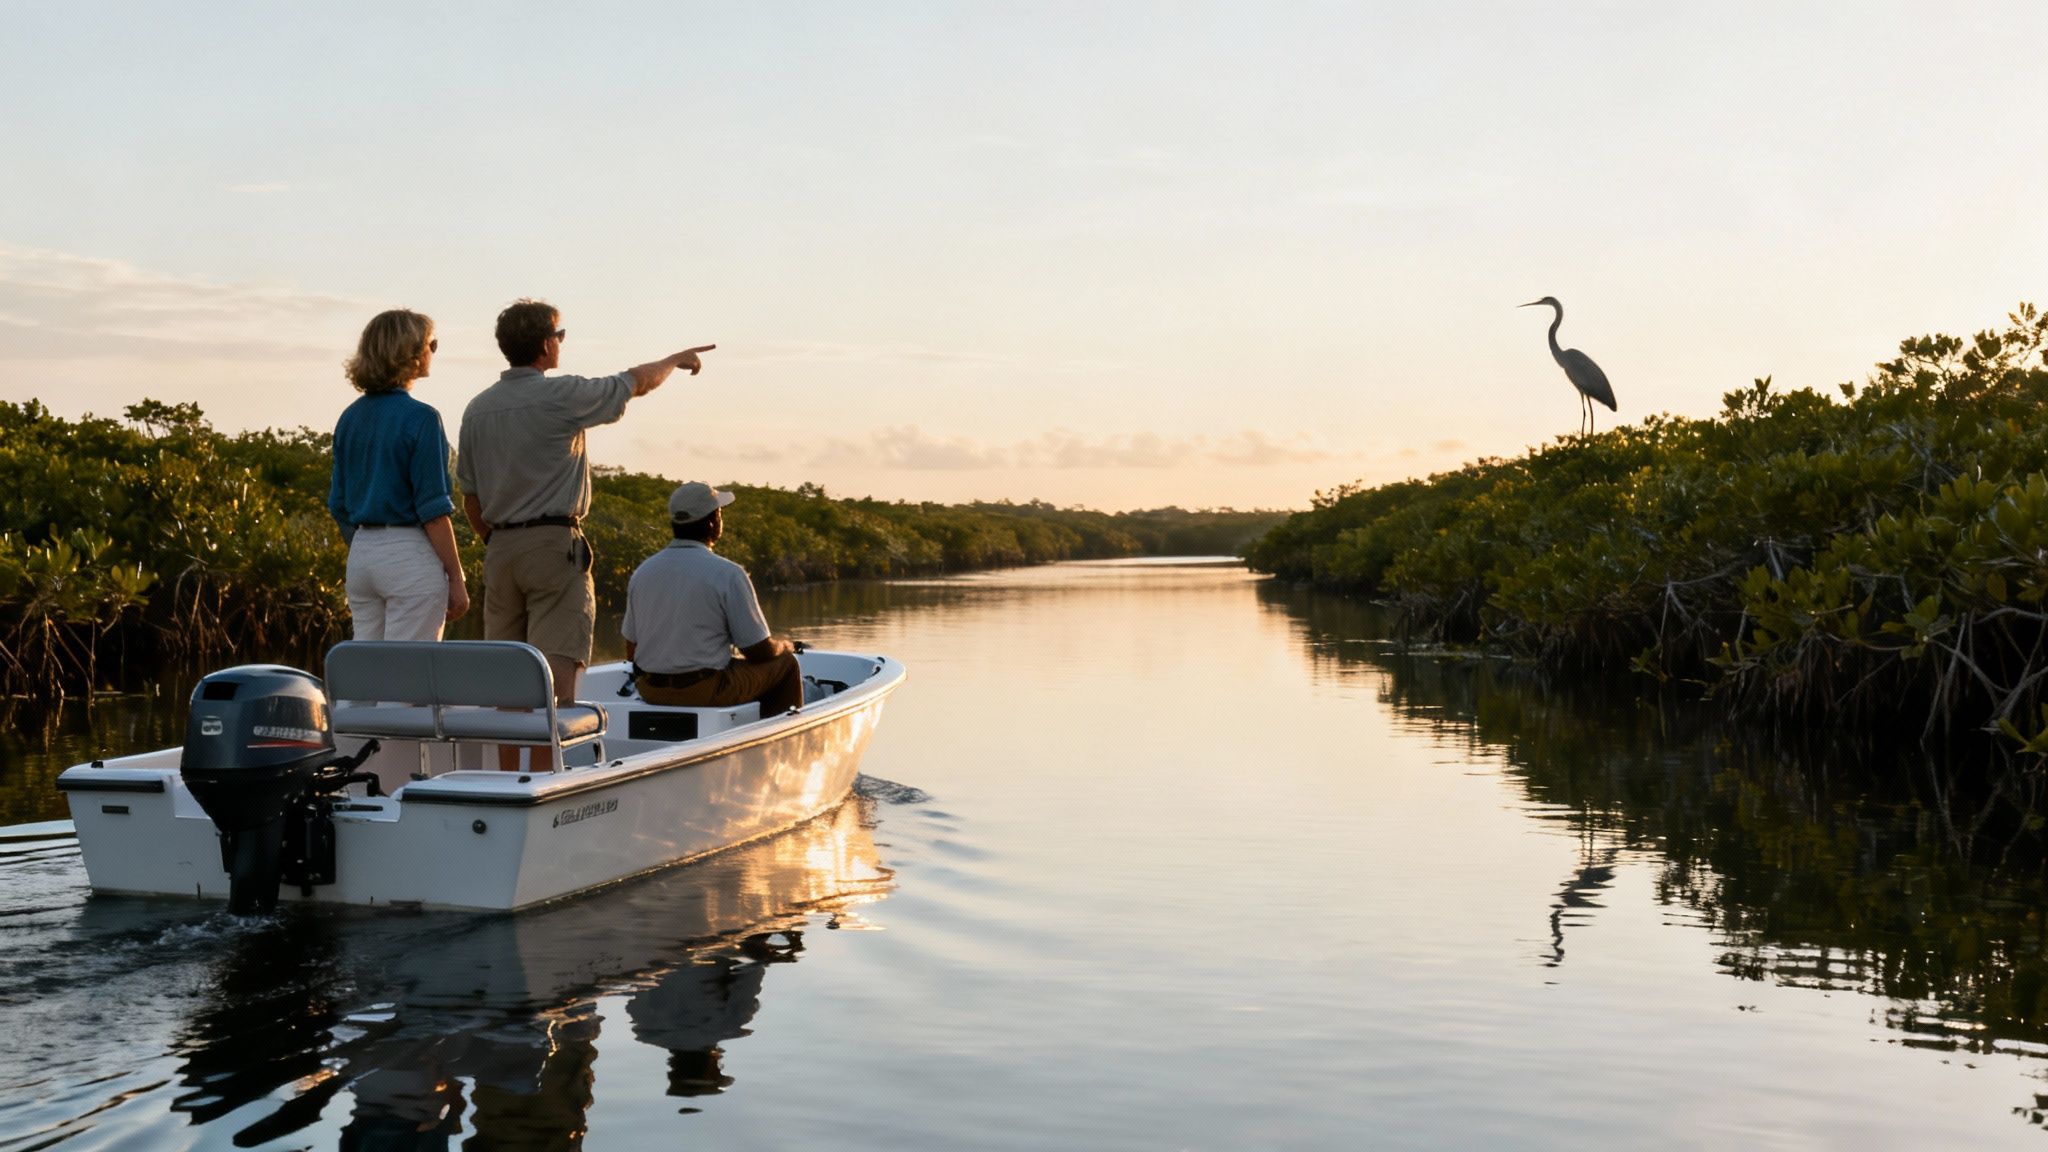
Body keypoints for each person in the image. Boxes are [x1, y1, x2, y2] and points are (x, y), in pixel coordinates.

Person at [458, 299, 713, 765]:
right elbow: (634, 382)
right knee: (556, 681)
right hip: (554, 547)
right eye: (559, 335)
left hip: (500, 552)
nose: (561, 342)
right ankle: (542, 784)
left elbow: (470, 498)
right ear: (543, 345)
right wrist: (675, 361)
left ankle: (507, 780)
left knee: (510, 681)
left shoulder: (477, 410)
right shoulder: (560, 395)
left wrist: (494, 540)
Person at [328, 309, 469, 640]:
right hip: (409, 555)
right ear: (410, 353)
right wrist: (457, 579)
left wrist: (370, 545)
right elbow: (433, 511)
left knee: (367, 676)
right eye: (431, 344)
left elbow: (338, 504)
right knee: (408, 679)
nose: (433, 350)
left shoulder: (349, 418)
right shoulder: (422, 418)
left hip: (362, 555)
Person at [621, 482, 803, 716]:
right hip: (705, 690)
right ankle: (778, 746)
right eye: (719, 513)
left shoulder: (643, 571)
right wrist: (784, 645)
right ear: (712, 522)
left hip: (650, 690)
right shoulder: (728, 573)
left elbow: (631, 649)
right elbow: (758, 652)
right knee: (786, 664)